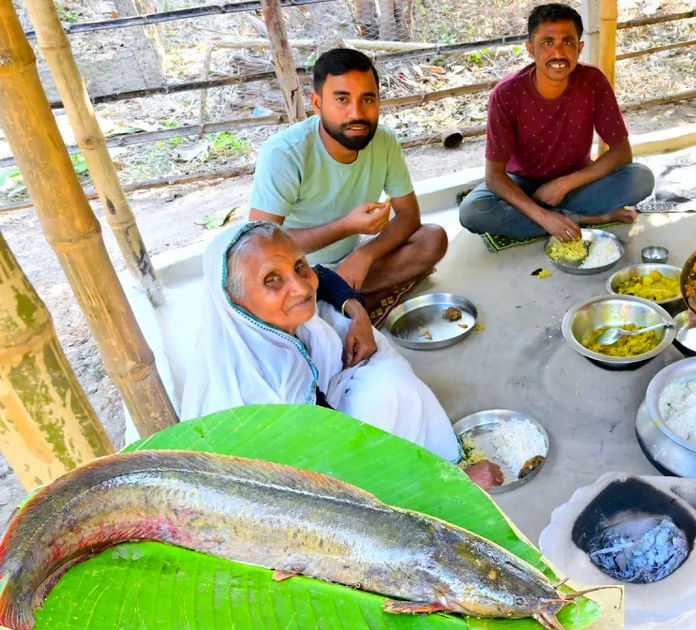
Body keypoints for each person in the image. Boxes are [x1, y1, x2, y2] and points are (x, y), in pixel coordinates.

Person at [180, 221, 502, 489]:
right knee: (388, 387)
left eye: (297, 266)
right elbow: (326, 480)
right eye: (272, 280)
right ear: (234, 300)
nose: (302, 288)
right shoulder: (257, 392)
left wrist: (358, 313)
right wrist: (446, 486)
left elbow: (325, 276)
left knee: (387, 378)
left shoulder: (270, 325)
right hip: (306, 493)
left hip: (322, 419)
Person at [249, 48, 446, 326]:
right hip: (300, 272)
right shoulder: (285, 153)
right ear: (317, 104)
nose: (356, 113)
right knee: (267, 298)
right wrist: (347, 227)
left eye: (367, 99)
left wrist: (365, 255)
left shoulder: (384, 140)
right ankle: (357, 300)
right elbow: (260, 243)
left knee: (432, 239)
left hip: (352, 260)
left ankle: (342, 305)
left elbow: (409, 216)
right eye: (341, 99)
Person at [457, 3, 655, 242]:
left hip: (576, 182)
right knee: (473, 211)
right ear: (531, 49)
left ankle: (557, 216)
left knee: (641, 179)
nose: (558, 53)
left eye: (567, 42)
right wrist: (542, 217)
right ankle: (585, 218)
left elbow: (622, 152)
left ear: (579, 48)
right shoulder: (506, 94)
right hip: (522, 185)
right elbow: (494, 177)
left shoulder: (593, 82)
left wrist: (564, 184)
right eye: (547, 43)